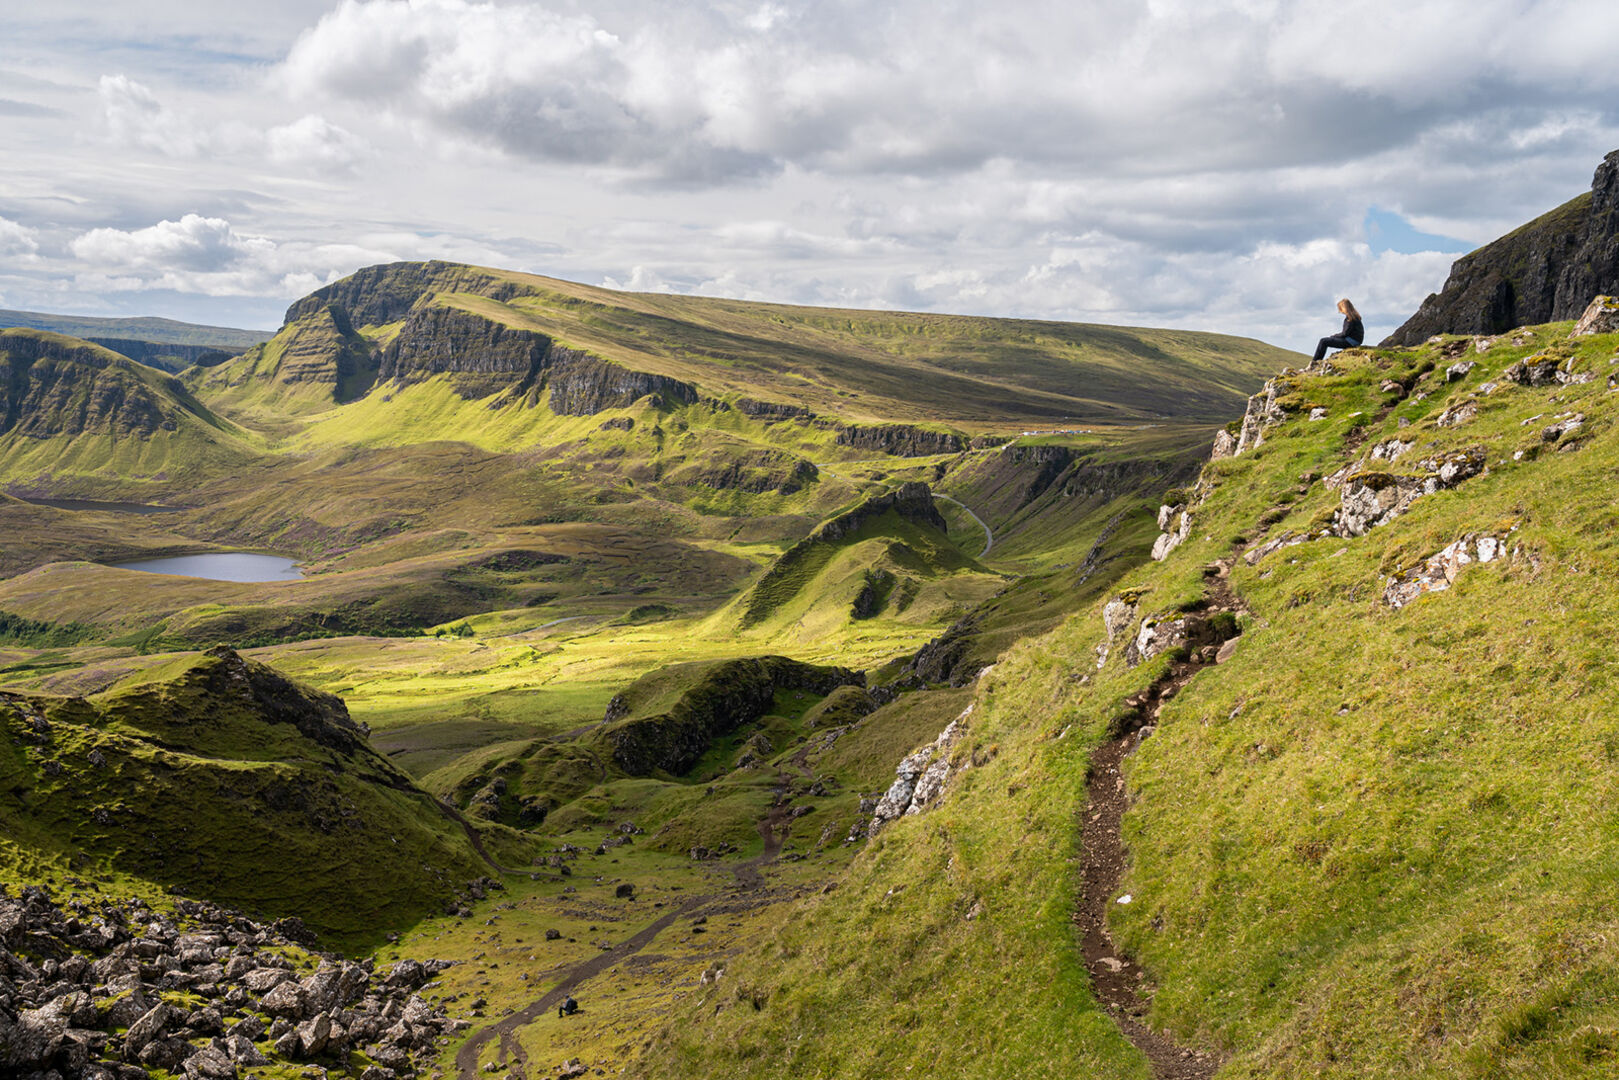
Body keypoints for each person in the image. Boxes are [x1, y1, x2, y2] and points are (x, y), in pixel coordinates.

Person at [1312, 299, 1364, 364]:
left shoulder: (1350, 318)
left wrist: (1334, 336)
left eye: (1340, 308)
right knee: (1327, 340)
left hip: (1350, 342)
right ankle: (1316, 361)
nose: (1339, 311)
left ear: (1344, 308)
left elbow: (1345, 333)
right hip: (1355, 341)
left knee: (1323, 341)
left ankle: (1314, 362)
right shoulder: (1355, 316)